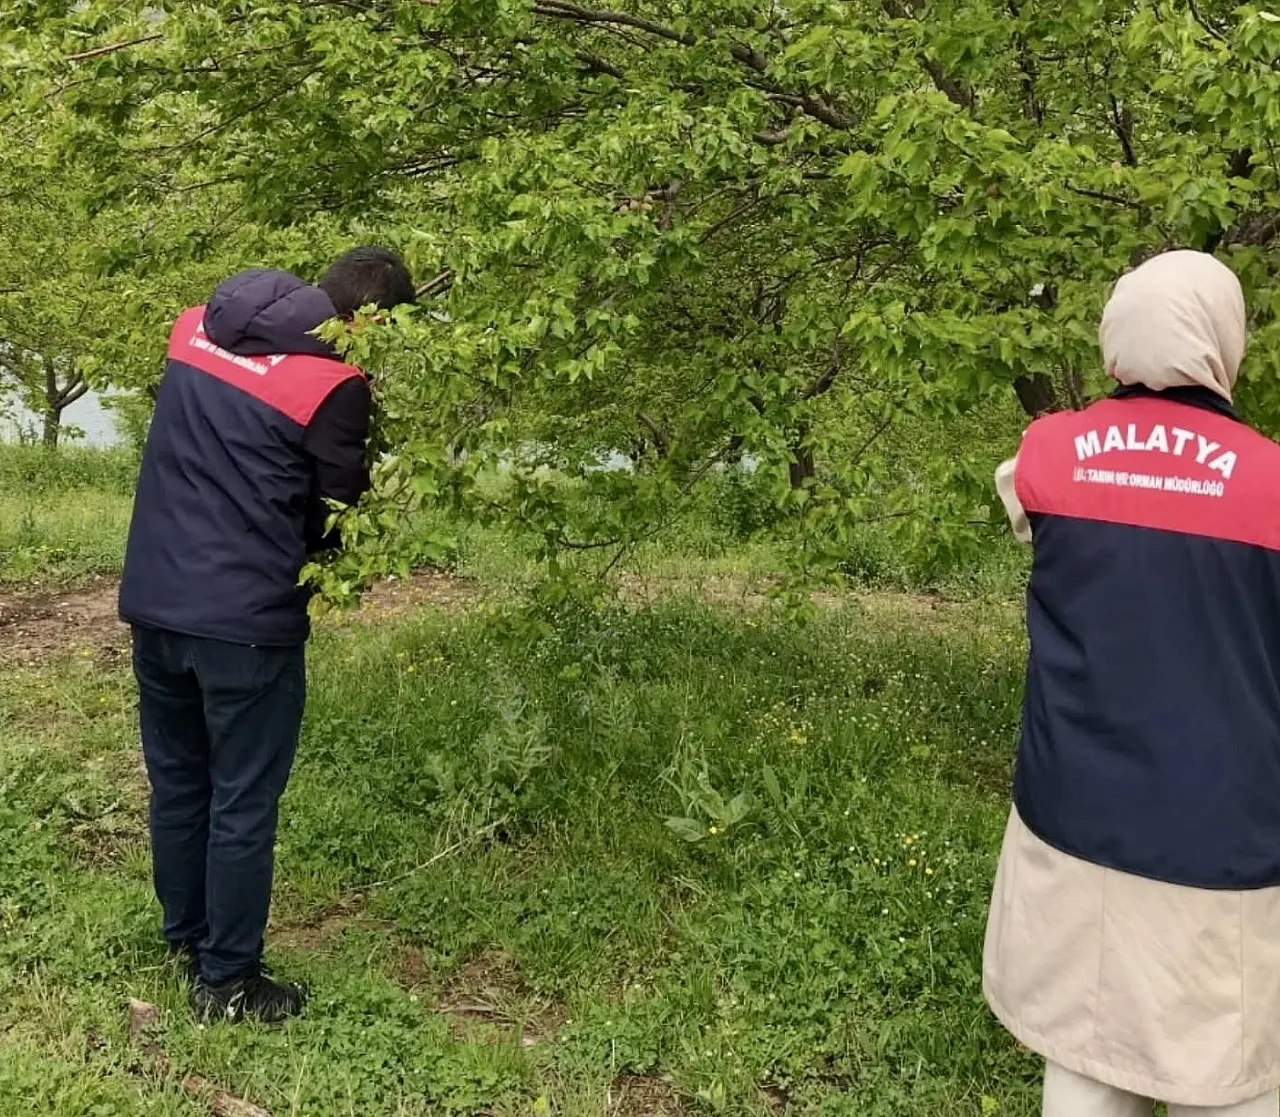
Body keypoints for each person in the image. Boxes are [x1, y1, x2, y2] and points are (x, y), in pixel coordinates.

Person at [984, 249, 1280, 1116]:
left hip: (1071, 824)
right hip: (1220, 845)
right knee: (1224, 1080)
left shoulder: (1048, 453)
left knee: (1082, 1063)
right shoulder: (1270, 482)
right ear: (1222, 336)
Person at [119, 247, 415, 1024]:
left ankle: (186, 940)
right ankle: (228, 983)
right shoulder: (335, 383)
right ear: (371, 322)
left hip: (154, 599)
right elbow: (336, 512)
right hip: (246, 624)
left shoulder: (193, 330)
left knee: (179, 781)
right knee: (243, 799)